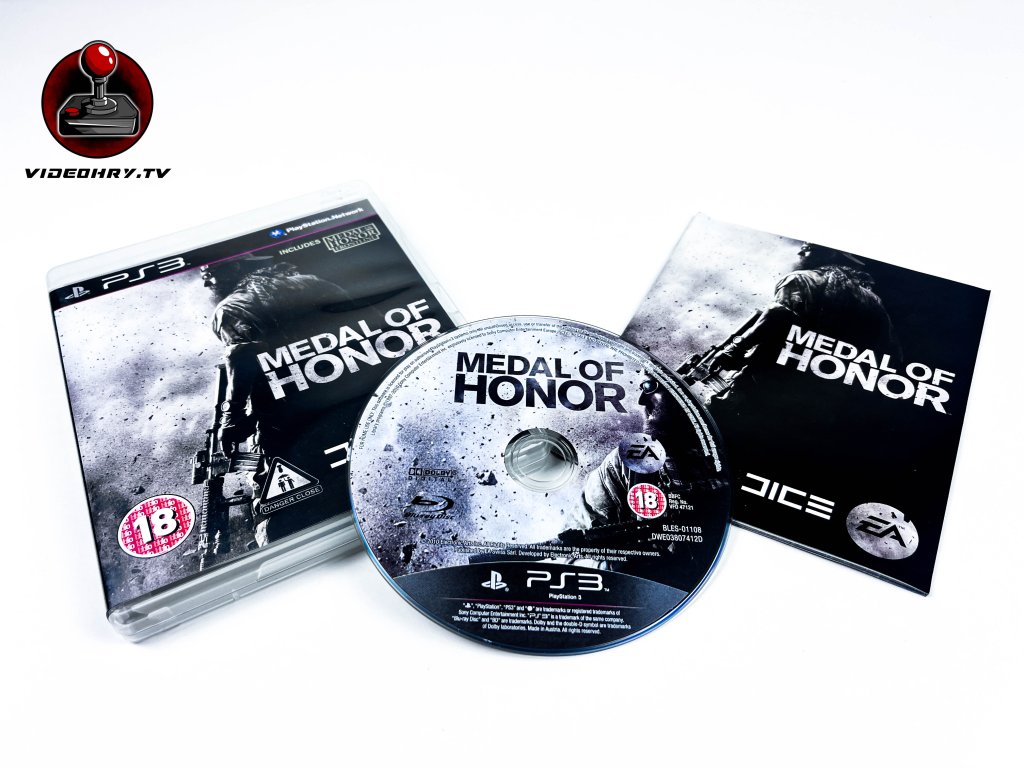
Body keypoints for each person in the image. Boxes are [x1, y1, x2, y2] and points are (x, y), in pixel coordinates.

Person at [203, 258, 352, 546]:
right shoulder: (313, 282)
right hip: (350, 400)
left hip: (290, 424)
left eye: (210, 275)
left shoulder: (231, 308)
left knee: (281, 522)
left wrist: (232, 415)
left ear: (229, 272)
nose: (209, 284)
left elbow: (242, 353)